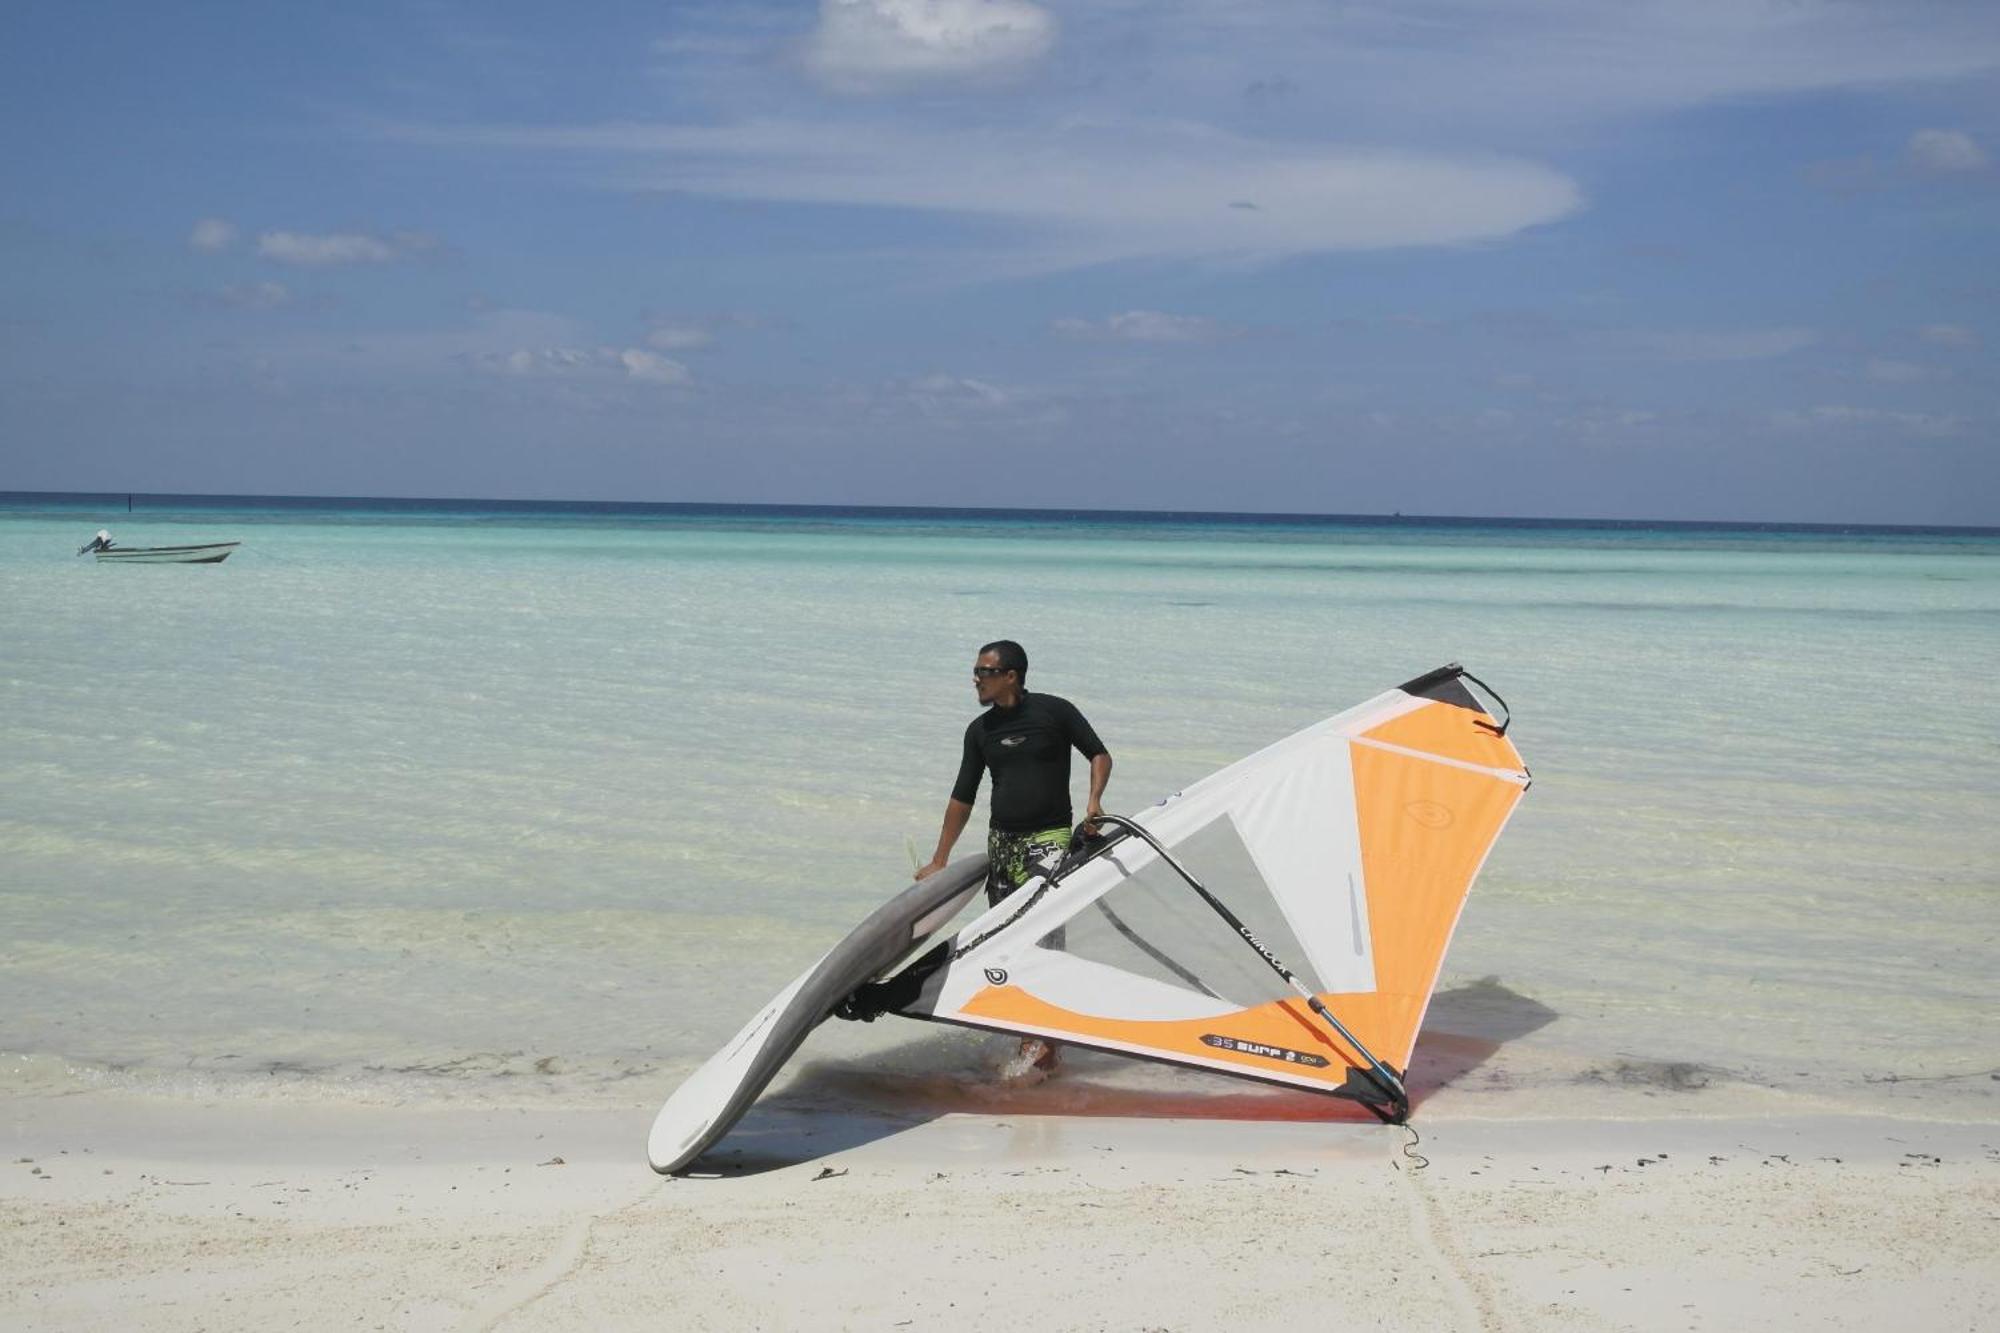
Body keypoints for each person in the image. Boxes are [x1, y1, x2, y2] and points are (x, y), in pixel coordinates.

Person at [914, 639, 1111, 1077]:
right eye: (976, 671)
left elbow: (1098, 753)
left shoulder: (1054, 713)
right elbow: (962, 797)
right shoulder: (979, 731)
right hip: (1002, 844)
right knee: (1009, 942)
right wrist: (939, 859)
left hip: (1050, 838)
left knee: (1044, 937)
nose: (976, 679)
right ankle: (1033, 1036)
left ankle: (1043, 1046)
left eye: (984, 672)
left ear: (1010, 676)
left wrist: (1094, 802)